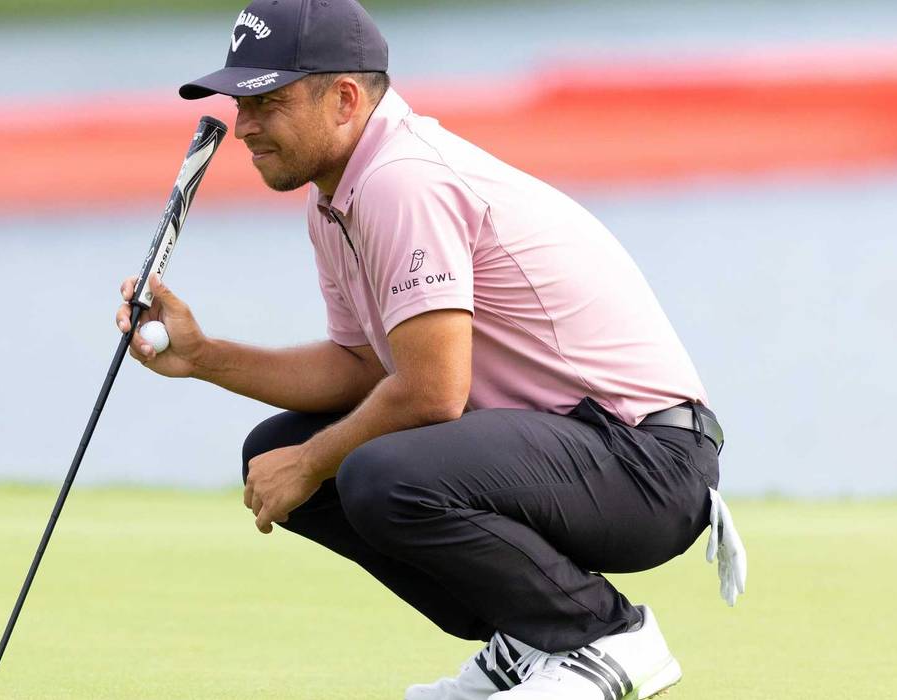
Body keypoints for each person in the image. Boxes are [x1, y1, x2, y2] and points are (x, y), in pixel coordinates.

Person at [115, 1, 745, 698]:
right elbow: (361, 368)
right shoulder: (338, 200)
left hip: (647, 464)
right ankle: (530, 636)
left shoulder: (401, 180)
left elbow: (433, 393)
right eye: (240, 104)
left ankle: (601, 635)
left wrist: (311, 463)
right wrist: (206, 358)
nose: (244, 126)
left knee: (373, 472)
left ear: (344, 99)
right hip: (577, 454)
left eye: (267, 101)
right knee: (278, 447)